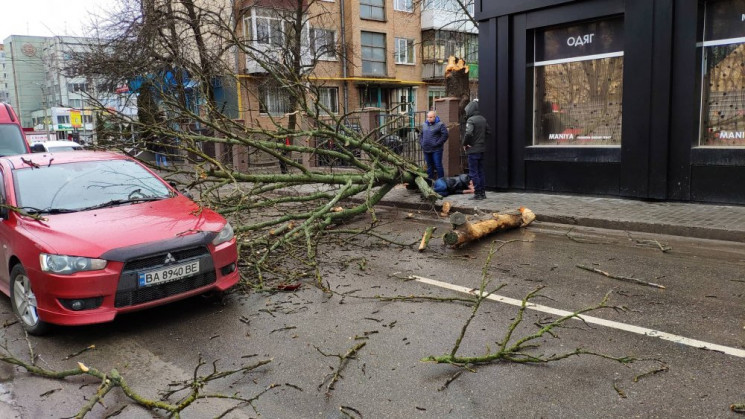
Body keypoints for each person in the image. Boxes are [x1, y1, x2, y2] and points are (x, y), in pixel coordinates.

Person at [462, 100, 490, 200]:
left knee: (473, 172)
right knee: (481, 171)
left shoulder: (471, 120)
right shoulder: (483, 119)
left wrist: (465, 144)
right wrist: (481, 141)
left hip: (473, 150)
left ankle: (478, 193)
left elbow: (468, 133)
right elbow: (488, 132)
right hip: (481, 149)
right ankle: (483, 193)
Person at [419, 110, 449, 180]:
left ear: (435, 117)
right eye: (428, 117)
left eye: (431, 117)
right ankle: (430, 182)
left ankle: (441, 182)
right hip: (426, 149)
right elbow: (420, 135)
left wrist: (437, 143)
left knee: (438, 165)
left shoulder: (440, 124)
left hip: (436, 150)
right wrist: (422, 143)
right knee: (429, 166)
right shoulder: (424, 125)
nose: (429, 119)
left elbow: (445, 135)